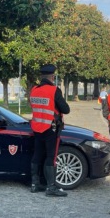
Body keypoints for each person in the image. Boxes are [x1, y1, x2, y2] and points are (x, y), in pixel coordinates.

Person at [29, 64, 70, 197]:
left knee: (37, 154)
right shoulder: (54, 90)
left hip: (37, 127)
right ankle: (51, 187)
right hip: (50, 128)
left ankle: (35, 184)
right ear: (52, 77)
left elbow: (33, 106)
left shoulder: (34, 89)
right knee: (50, 157)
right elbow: (65, 109)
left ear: (41, 76)